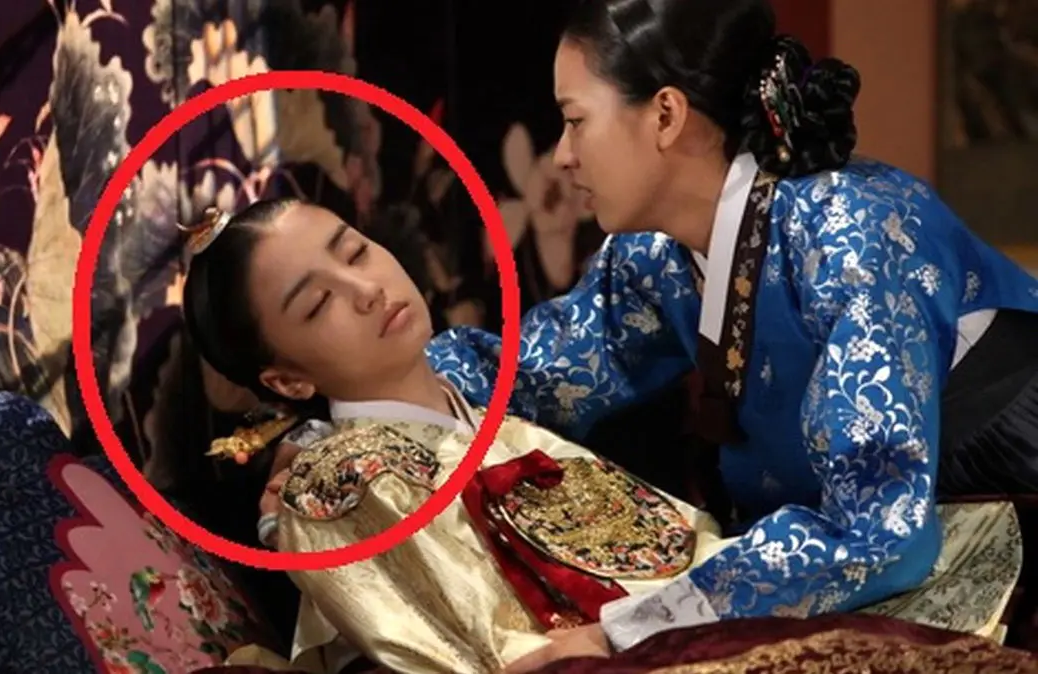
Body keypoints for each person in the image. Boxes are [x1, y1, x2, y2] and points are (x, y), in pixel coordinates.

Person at [416, 0, 1038, 669]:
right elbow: (539, 373)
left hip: (988, 514)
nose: (562, 157)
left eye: (575, 121)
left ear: (665, 115)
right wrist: (379, 386)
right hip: (829, 549)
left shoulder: (850, 233)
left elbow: (882, 529)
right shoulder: (653, 253)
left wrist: (639, 624)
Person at [180, 199, 1021, 673]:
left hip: (700, 607)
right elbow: (487, 656)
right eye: (318, 302)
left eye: (355, 250)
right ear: (287, 380)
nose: (365, 287)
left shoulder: (475, 399)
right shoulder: (342, 480)